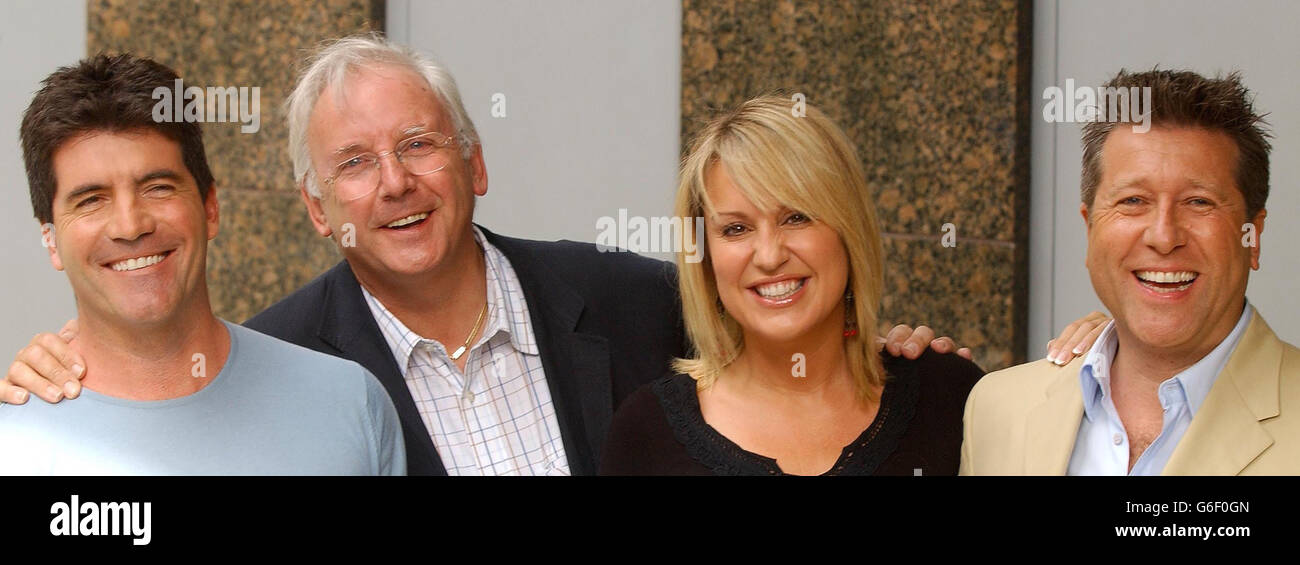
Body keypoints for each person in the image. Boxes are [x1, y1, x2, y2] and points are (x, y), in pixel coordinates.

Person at [1, 35, 1102, 475]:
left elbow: (776, 341)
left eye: (419, 144)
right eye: (353, 165)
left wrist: (885, 342)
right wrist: (65, 370)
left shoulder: (634, 300)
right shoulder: (300, 373)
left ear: (474, 164)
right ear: (309, 206)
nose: (393, 183)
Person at [0, 53, 404, 475]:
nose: (130, 225)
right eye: (91, 200)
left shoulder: (350, 403)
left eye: (157, 187)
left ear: (210, 207)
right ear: (50, 237)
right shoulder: (13, 447)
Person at [601, 95, 991, 476]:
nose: (769, 256)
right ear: (705, 258)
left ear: (848, 231)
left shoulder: (948, 395)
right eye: (736, 229)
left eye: (796, 218)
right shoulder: (647, 435)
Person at [960, 69, 1299, 476]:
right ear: (1090, 229)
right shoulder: (996, 408)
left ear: (1253, 236)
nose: (1163, 236)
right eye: (1133, 200)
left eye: (1199, 202)